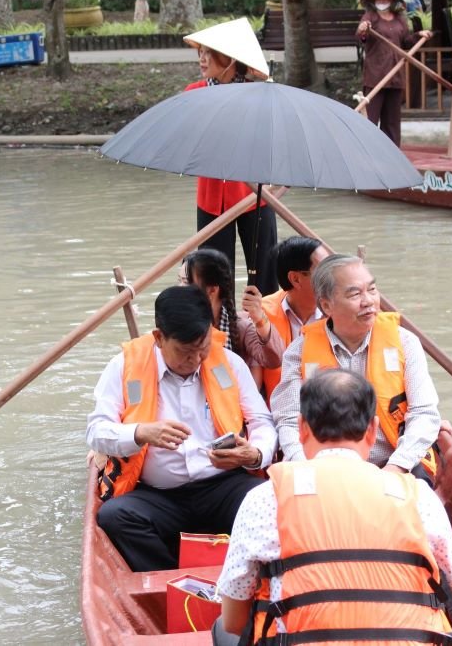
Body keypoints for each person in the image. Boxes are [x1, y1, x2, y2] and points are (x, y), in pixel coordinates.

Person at [213, 369, 452, 646]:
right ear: (372, 429)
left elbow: (234, 621)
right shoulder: (418, 496)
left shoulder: (266, 498)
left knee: (222, 630)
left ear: (301, 428)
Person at [87, 285, 277, 572]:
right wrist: (140, 433)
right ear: (159, 338)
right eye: (185, 352)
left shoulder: (229, 362)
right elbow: (96, 432)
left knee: (272, 501)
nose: (195, 360)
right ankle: (172, 582)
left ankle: (247, 577)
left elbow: (262, 422)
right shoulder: (123, 367)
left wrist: (253, 454)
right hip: (159, 495)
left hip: (223, 486)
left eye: (202, 349)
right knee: (115, 516)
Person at [270, 254, 443, 484]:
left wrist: (396, 467)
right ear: (326, 305)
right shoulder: (299, 352)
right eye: (355, 294)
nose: (369, 301)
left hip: (393, 463)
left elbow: (424, 412)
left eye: (372, 290)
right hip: (324, 470)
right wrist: (307, 469)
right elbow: (290, 420)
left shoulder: (405, 342)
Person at [183, 19, 278, 296]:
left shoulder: (259, 94)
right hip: (212, 198)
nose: (202, 58)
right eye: (200, 52)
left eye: (209, 53)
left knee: (265, 276)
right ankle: (221, 333)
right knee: (212, 281)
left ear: (229, 59)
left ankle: (264, 332)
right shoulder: (195, 93)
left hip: (255, 195)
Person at [180, 249, 285, 387]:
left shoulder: (240, 326)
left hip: (230, 402)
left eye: (186, 282)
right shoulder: (176, 324)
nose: (180, 288)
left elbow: (275, 360)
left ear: (212, 290)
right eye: (179, 281)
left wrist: (259, 317)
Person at [356, 0, 432, 146]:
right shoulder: (370, 17)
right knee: (370, 119)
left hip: (395, 76)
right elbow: (361, 35)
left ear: (391, 1)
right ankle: (367, 151)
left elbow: (406, 42)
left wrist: (419, 35)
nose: (381, 1)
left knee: (392, 122)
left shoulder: (400, 20)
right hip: (375, 76)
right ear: (374, 1)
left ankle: (392, 154)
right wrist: (363, 29)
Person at [258, 236, 330, 402]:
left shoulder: (341, 312)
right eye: (323, 271)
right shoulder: (260, 316)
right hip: (279, 412)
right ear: (296, 279)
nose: (332, 277)